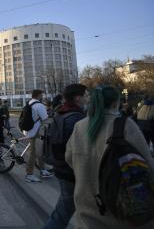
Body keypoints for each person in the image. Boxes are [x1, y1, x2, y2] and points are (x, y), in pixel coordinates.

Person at [65, 86, 154, 229]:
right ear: (115, 103)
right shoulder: (126, 125)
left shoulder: (79, 126)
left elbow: (69, 158)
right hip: (122, 215)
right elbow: (148, 166)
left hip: (86, 214)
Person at [43, 84, 89, 229]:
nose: (88, 97)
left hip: (60, 166)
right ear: (77, 98)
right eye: (86, 95)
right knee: (63, 212)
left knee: (65, 209)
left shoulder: (61, 112)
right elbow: (78, 149)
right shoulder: (77, 118)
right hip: (70, 171)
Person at [23, 90, 52, 182]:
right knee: (33, 153)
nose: (42, 96)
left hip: (29, 130)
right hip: (35, 132)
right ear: (39, 95)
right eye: (42, 94)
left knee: (40, 150)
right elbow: (45, 118)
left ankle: (42, 170)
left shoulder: (29, 103)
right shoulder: (39, 105)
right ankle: (29, 175)